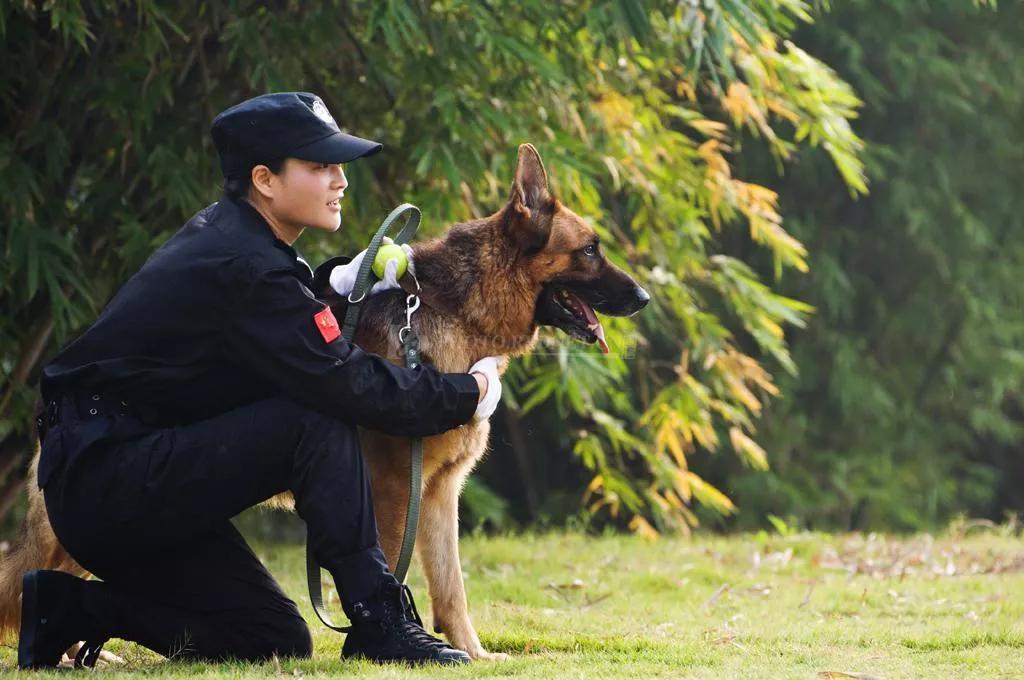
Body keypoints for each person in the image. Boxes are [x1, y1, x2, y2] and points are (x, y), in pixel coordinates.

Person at [19, 92, 502, 669]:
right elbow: (349, 384)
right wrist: (467, 394)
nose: (340, 181)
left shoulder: (239, 245)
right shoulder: (244, 265)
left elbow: (288, 328)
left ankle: (68, 609)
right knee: (316, 417)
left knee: (272, 636)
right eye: (320, 166)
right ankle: (381, 620)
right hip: (112, 483)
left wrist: (340, 280)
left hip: (127, 480)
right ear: (265, 180)